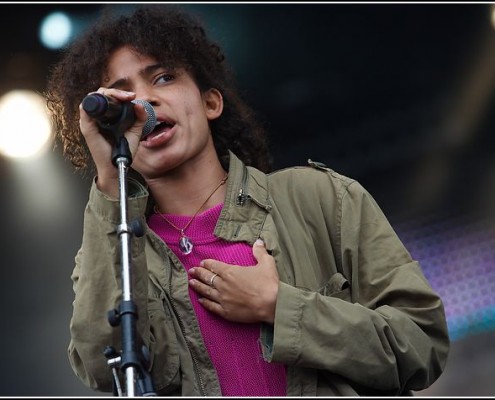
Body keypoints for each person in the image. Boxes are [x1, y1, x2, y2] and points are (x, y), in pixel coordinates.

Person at [45, 4, 450, 397]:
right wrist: (107, 182)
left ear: (210, 102)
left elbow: (421, 344)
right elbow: (101, 367)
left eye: (164, 78)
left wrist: (280, 308)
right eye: (122, 95)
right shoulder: (116, 249)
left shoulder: (321, 198)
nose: (143, 102)